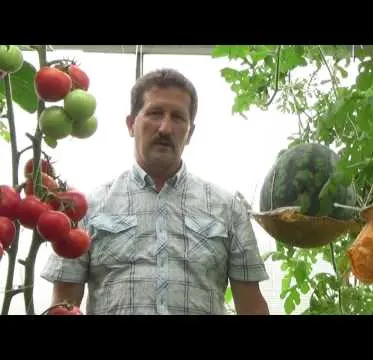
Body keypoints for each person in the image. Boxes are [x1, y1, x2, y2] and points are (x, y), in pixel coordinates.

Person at [40, 68, 270, 315]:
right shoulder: (88, 208)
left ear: (190, 133)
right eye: (155, 113)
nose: (165, 128)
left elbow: (252, 306)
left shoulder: (228, 208)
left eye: (178, 117)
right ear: (131, 124)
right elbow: (64, 303)